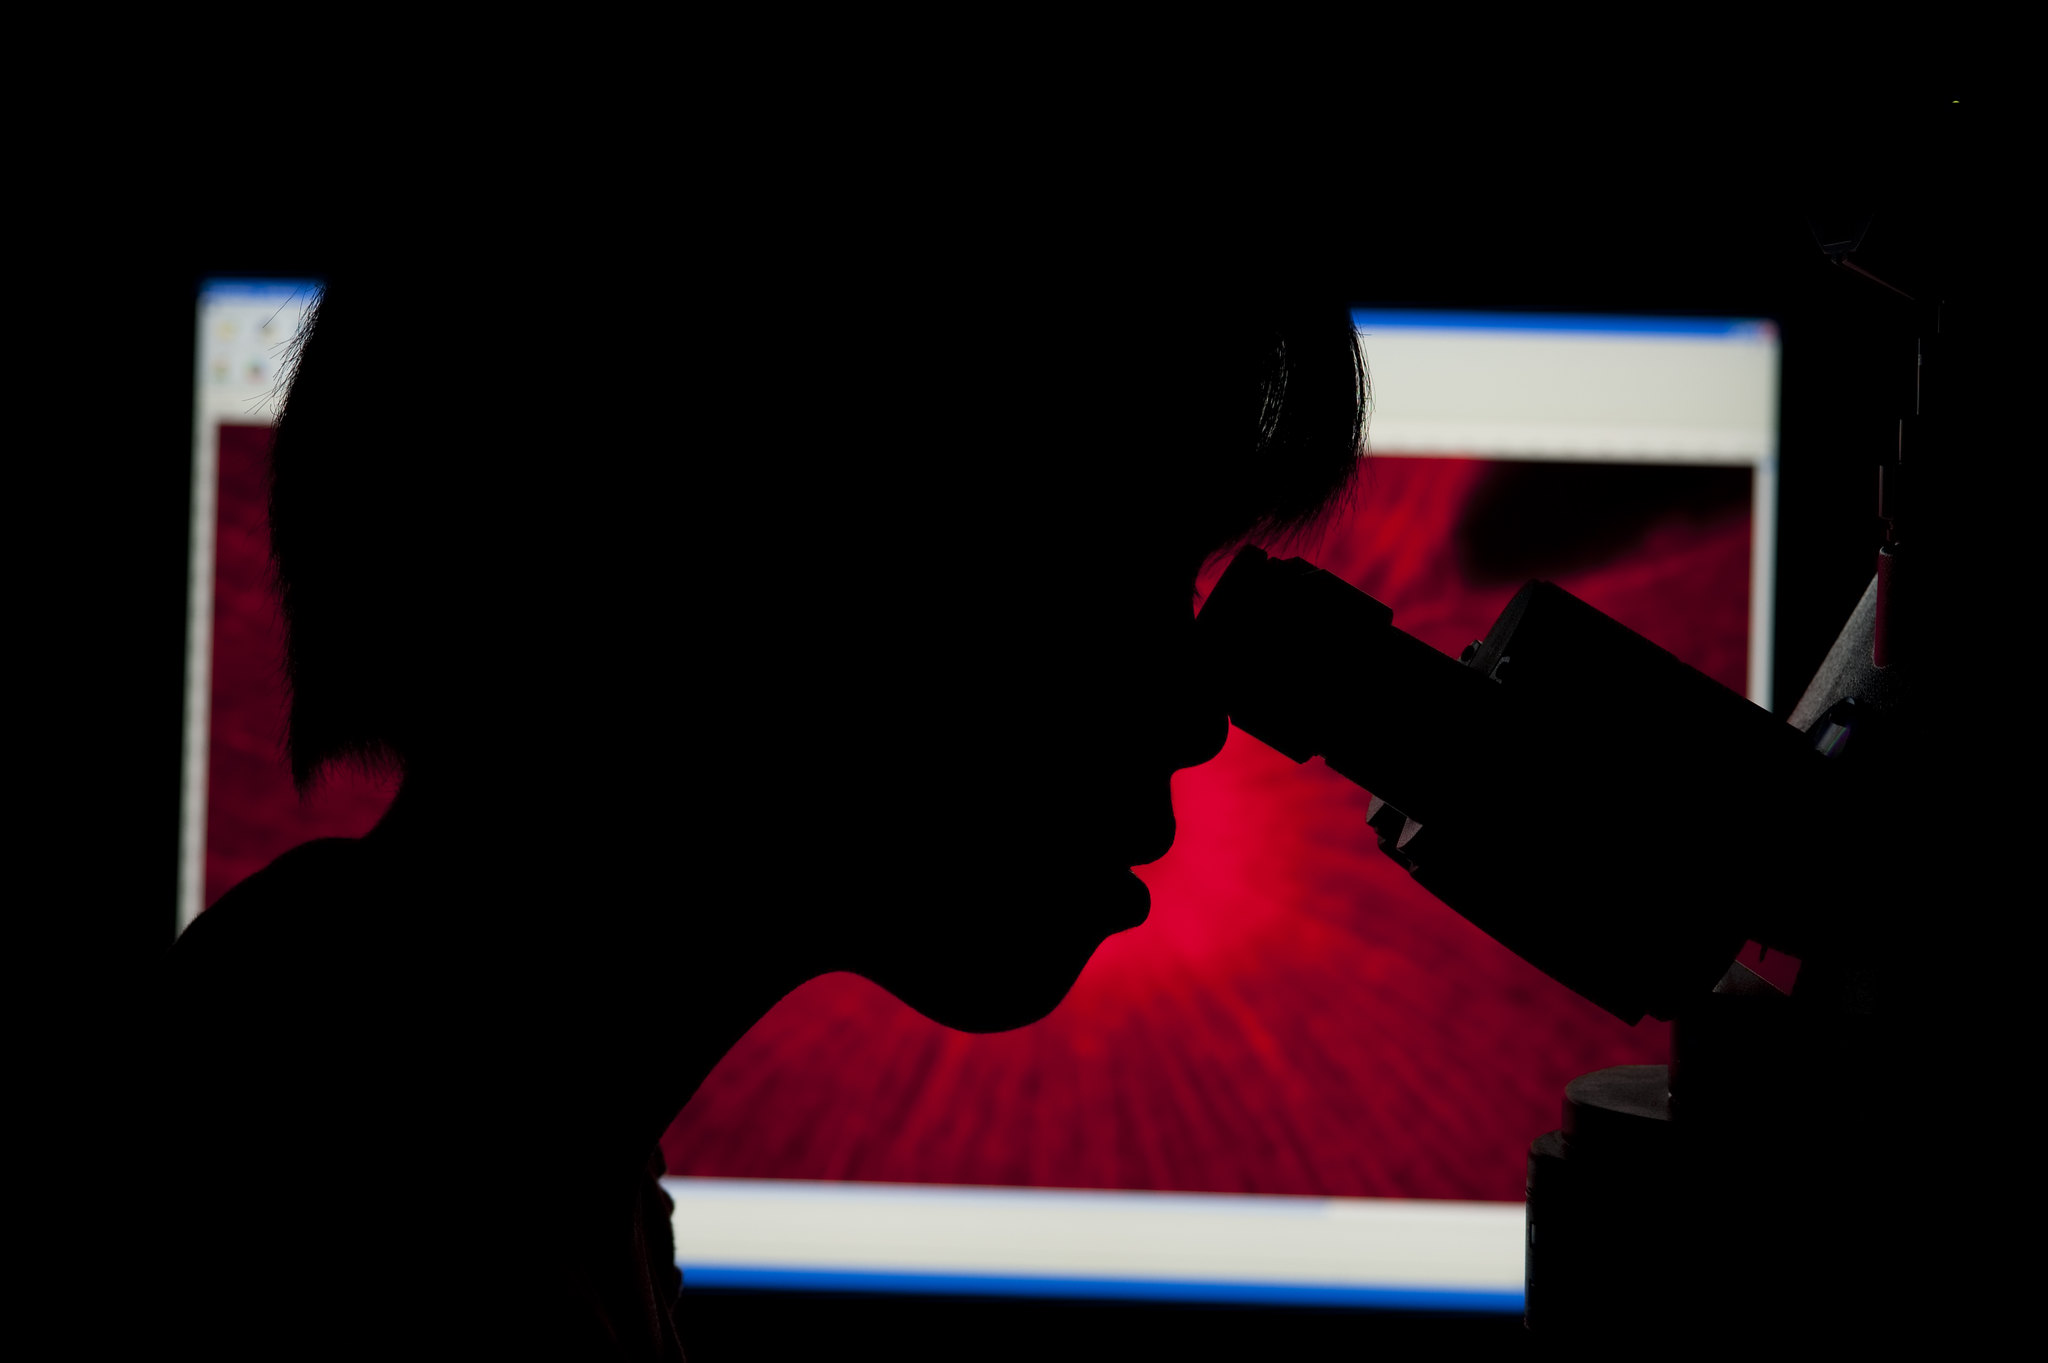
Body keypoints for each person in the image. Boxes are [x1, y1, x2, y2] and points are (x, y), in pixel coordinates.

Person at [153, 220, 1369, 1356]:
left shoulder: (466, 1119)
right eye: (1109, 577)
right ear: (761, 542)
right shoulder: (356, 1222)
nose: (1194, 715)